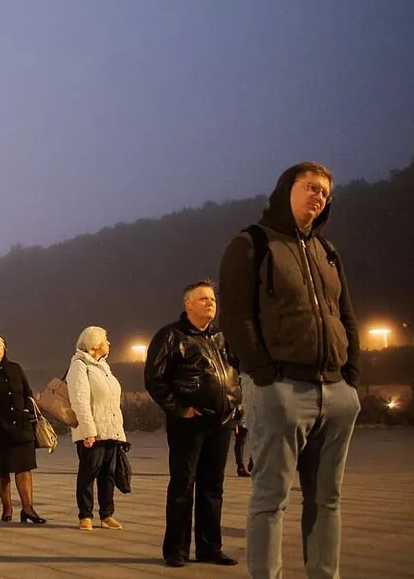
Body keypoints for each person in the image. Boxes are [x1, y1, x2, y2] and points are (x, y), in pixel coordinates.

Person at [219, 161, 361, 579]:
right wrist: (263, 375)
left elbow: (345, 315)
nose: (318, 196)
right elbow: (237, 316)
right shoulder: (252, 244)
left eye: (324, 192)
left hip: (335, 393)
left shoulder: (326, 251)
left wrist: (351, 376)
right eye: (310, 187)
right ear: (286, 189)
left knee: (326, 500)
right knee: (270, 499)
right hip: (281, 388)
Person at [144, 281, 241, 568]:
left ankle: (210, 547)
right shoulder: (171, 337)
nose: (210, 303)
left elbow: (236, 374)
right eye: (203, 299)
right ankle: (176, 549)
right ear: (188, 305)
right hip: (189, 422)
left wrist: (236, 407)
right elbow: (154, 380)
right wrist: (180, 409)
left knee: (213, 487)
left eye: (212, 299)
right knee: (183, 486)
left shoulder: (223, 338)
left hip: (221, 421)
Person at [0, 333, 44, 524]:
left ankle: (28, 508)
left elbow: (28, 393)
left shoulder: (16, 368)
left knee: (24, 468)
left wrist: (28, 410)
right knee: (1, 469)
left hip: (21, 426)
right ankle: (7, 508)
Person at [67, 326, 127, 531]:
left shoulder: (104, 367)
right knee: (88, 473)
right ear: (95, 344)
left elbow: (111, 402)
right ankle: (85, 514)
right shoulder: (80, 365)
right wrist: (88, 430)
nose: (109, 343)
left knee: (108, 474)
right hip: (92, 431)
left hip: (110, 429)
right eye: (105, 340)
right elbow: (80, 400)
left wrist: (119, 430)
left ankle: (107, 514)